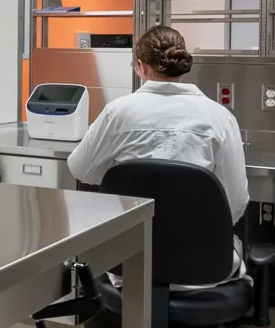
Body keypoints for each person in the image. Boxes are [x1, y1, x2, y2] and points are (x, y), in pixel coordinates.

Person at [67, 24, 249, 223]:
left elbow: (80, 169)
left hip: (129, 245)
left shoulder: (117, 113)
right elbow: (236, 201)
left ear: (141, 66)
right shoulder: (220, 117)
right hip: (196, 249)